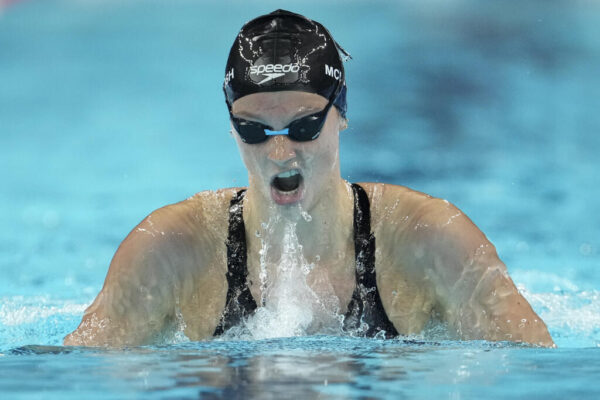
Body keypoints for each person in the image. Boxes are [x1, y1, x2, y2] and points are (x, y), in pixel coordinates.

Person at [64, 9, 554, 347]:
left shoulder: (427, 239)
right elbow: (74, 376)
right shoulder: (172, 250)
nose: (280, 151)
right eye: (253, 130)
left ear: (340, 114)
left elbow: (538, 369)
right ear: (231, 126)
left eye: (303, 126)